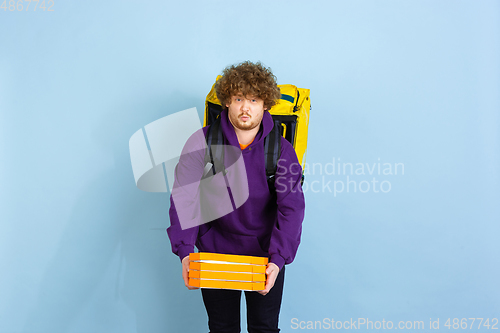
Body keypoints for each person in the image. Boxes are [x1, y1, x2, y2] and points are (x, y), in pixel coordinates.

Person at [167, 61, 305, 333]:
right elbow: (184, 198)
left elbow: (291, 209)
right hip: (215, 250)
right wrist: (185, 252)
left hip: (265, 257)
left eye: (253, 99)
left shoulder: (281, 150)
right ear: (226, 101)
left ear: (265, 104)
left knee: (264, 328)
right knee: (221, 328)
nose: (245, 107)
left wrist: (278, 260)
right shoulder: (202, 142)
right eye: (239, 98)